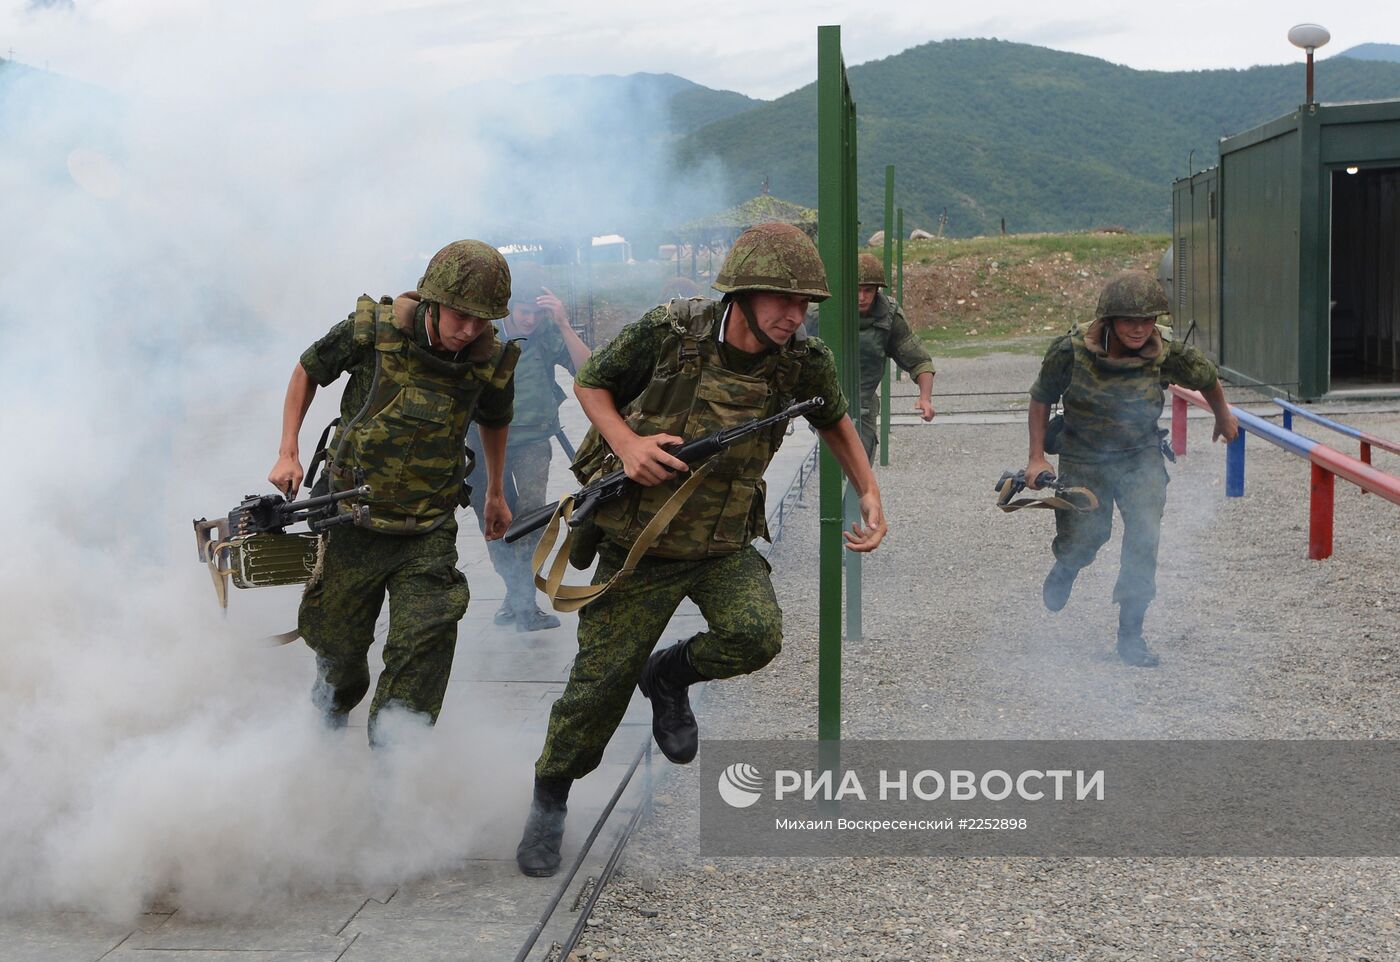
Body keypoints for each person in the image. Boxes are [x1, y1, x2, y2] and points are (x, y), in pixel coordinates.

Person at [515, 223, 888, 877]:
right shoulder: (670, 331)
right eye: (780, 299)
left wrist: (869, 490)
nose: (793, 315)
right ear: (740, 293)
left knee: (756, 635)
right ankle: (549, 803)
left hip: (722, 543)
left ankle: (668, 676)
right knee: (594, 696)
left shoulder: (801, 359)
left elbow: (832, 419)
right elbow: (591, 383)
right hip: (639, 546)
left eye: (804, 304)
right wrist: (628, 446)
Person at [267, 240, 519, 744]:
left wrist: (495, 491)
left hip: (427, 526)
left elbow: (495, 418)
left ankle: (395, 769)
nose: (469, 330)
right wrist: (288, 450)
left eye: (482, 320)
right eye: (460, 315)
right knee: (339, 655)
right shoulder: (372, 331)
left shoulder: (489, 359)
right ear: (432, 300)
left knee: (423, 644)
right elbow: (306, 370)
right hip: (351, 520)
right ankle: (328, 716)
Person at [1024, 271, 1239, 668]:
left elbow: (1207, 377)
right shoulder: (1070, 351)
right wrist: (1037, 457)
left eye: (1147, 320)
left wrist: (1223, 418)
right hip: (1083, 457)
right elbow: (1041, 397)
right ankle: (1067, 565)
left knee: (1143, 538)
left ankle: (1131, 635)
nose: (1140, 329)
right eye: (1129, 320)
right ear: (1108, 321)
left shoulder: (1167, 351)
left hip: (1140, 456)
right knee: (1086, 538)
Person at [466, 263, 591, 632]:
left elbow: (588, 371)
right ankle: (515, 595)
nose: (532, 320)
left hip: (533, 441)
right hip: (483, 442)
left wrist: (564, 324)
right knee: (494, 521)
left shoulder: (548, 332)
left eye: (538, 313)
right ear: (509, 309)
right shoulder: (484, 336)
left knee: (531, 518)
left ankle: (523, 602)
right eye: (525, 312)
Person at [854, 252, 936, 462]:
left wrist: (925, 398)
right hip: (825, 404)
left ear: (877, 290)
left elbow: (919, 360)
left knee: (861, 465)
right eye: (856, 290)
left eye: (868, 290)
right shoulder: (822, 312)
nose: (862, 297)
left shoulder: (888, 316)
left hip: (863, 405)